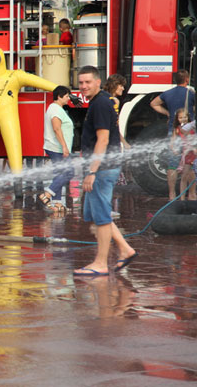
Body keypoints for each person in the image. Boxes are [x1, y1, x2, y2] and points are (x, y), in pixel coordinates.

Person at [75, 65, 137, 277]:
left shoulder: (100, 103)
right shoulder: (98, 102)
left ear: (98, 82)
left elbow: (102, 139)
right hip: (100, 168)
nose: (83, 86)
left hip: (102, 169)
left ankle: (100, 263)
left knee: (101, 217)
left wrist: (92, 171)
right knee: (96, 215)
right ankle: (126, 249)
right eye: (81, 82)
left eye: (88, 82)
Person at [150, 69, 195, 200]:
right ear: (187, 80)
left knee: (173, 163)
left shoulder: (168, 93)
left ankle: (172, 194)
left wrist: (168, 113)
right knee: (190, 163)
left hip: (173, 131)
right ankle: (191, 194)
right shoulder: (190, 93)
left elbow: (153, 103)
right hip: (189, 133)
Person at [39, 86, 75, 214]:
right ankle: (47, 194)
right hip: (57, 148)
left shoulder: (56, 108)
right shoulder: (55, 109)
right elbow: (56, 128)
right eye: (66, 96)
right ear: (59, 96)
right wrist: (64, 146)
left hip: (57, 147)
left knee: (59, 174)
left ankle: (57, 203)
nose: (68, 99)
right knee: (69, 172)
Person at [171, 109, 196, 199]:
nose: (183, 119)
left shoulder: (192, 126)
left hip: (194, 152)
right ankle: (182, 198)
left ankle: (192, 195)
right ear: (177, 119)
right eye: (180, 117)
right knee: (184, 176)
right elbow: (172, 142)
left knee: (193, 175)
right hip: (187, 154)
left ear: (188, 117)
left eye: (185, 117)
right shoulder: (177, 129)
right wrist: (174, 149)